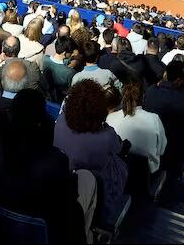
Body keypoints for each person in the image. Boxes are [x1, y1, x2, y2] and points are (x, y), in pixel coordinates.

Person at [0, 89, 97, 244]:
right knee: (87, 179)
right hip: (43, 228)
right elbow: (67, 206)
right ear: (40, 121)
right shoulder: (54, 160)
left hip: (2, 223)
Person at [53, 80, 129, 228]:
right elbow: (119, 149)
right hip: (96, 191)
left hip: (63, 181)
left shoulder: (60, 121)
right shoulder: (107, 135)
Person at [106, 81, 167, 176]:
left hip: (117, 174)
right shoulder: (154, 119)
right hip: (145, 177)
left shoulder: (110, 118)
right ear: (143, 97)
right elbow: (161, 149)